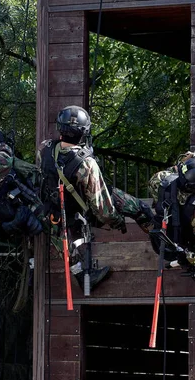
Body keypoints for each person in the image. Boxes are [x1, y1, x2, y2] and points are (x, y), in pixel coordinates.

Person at [38, 105, 154, 290]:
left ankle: (82, 275)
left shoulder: (45, 149)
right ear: (84, 132)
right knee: (142, 209)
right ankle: (163, 242)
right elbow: (102, 210)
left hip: (56, 212)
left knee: (63, 240)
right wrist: (117, 221)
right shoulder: (86, 163)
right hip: (80, 211)